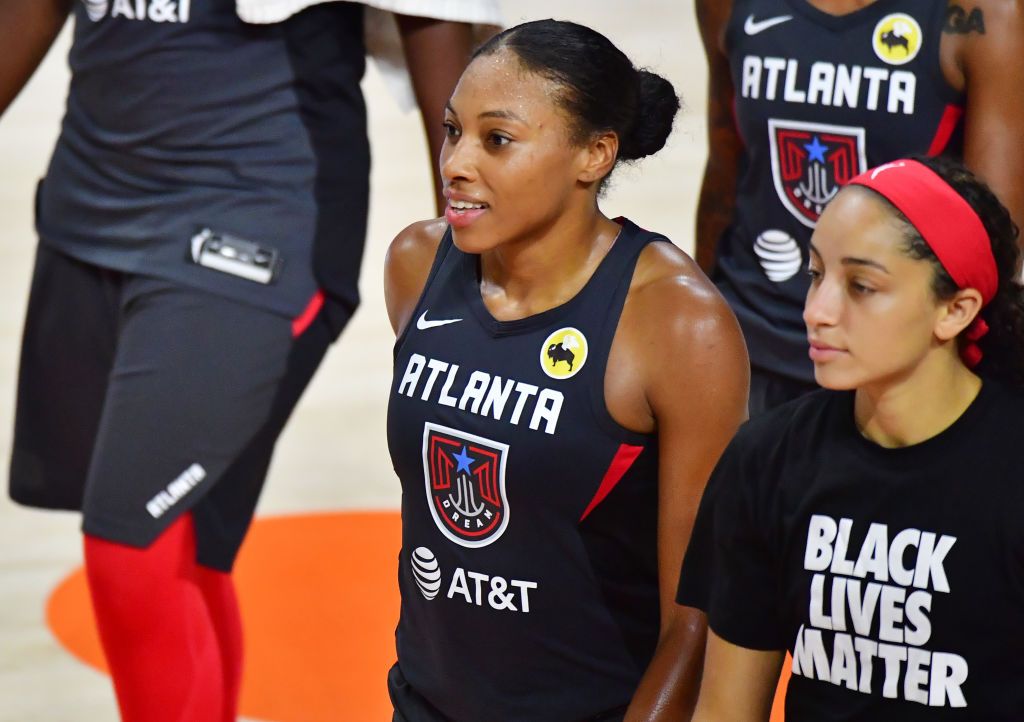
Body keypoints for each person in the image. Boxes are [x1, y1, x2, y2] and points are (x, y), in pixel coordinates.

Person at [1, 0, 484, 719]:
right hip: (89, 206)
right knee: (186, 546)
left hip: (257, 209)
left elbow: (431, 9)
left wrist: (462, 237)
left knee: (129, 549)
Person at [383, 18, 749, 722]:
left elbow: (696, 621)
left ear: (594, 155)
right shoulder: (415, 267)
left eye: (497, 139)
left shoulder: (676, 326)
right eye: (452, 131)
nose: (456, 162)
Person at [675, 155, 1024, 720]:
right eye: (816, 275)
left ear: (955, 310)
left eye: (861, 286)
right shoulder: (767, 460)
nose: (817, 311)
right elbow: (725, 711)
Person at [694, 0, 1024, 414]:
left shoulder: (983, 14)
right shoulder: (727, 6)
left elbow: (992, 237)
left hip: (892, 364)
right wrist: (697, 321)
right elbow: (726, 170)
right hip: (749, 344)